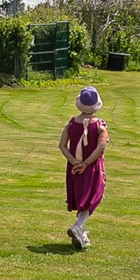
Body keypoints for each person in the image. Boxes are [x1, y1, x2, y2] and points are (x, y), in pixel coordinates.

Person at [61, 86, 108, 248]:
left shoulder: (71, 123)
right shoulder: (100, 125)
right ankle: (78, 226)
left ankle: (80, 230)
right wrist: (86, 164)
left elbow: (62, 145)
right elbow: (100, 148)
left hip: (73, 168)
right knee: (93, 196)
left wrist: (74, 161)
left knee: (83, 198)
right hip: (92, 168)